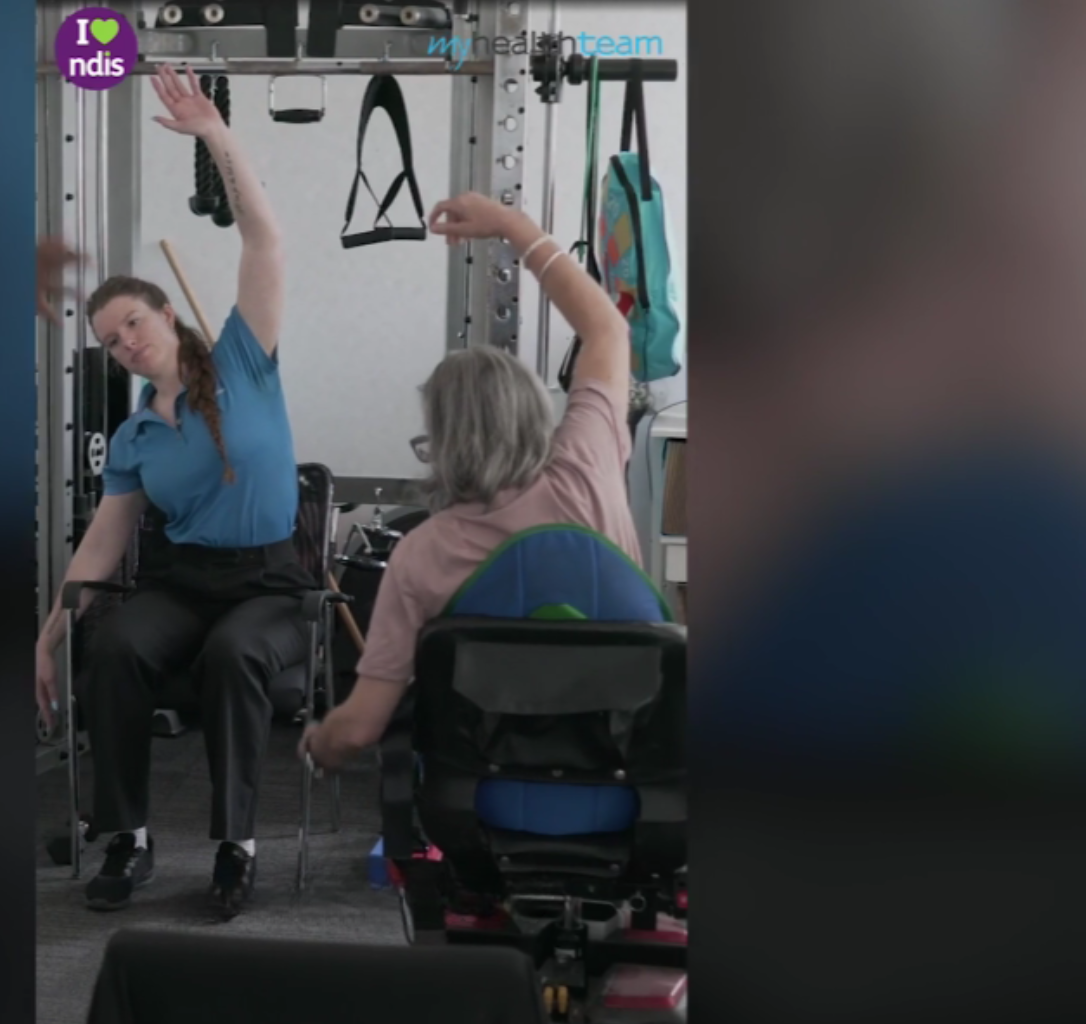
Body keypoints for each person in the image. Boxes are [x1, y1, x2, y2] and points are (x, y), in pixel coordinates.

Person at [34, 65, 308, 920]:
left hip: (269, 583)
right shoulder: (135, 435)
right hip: (182, 582)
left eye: (134, 327)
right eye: (112, 344)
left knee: (234, 657)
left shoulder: (242, 362)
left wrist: (212, 133)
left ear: (166, 316)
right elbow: (103, 547)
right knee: (112, 647)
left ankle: (236, 847)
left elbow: (264, 240)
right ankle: (128, 837)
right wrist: (44, 637)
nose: (126, 346)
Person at [299, 192, 641, 770]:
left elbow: (360, 729)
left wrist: (319, 743)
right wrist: (511, 225)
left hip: (490, 797)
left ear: (442, 436)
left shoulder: (424, 553)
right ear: (534, 408)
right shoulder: (587, 466)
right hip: (632, 779)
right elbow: (606, 329)